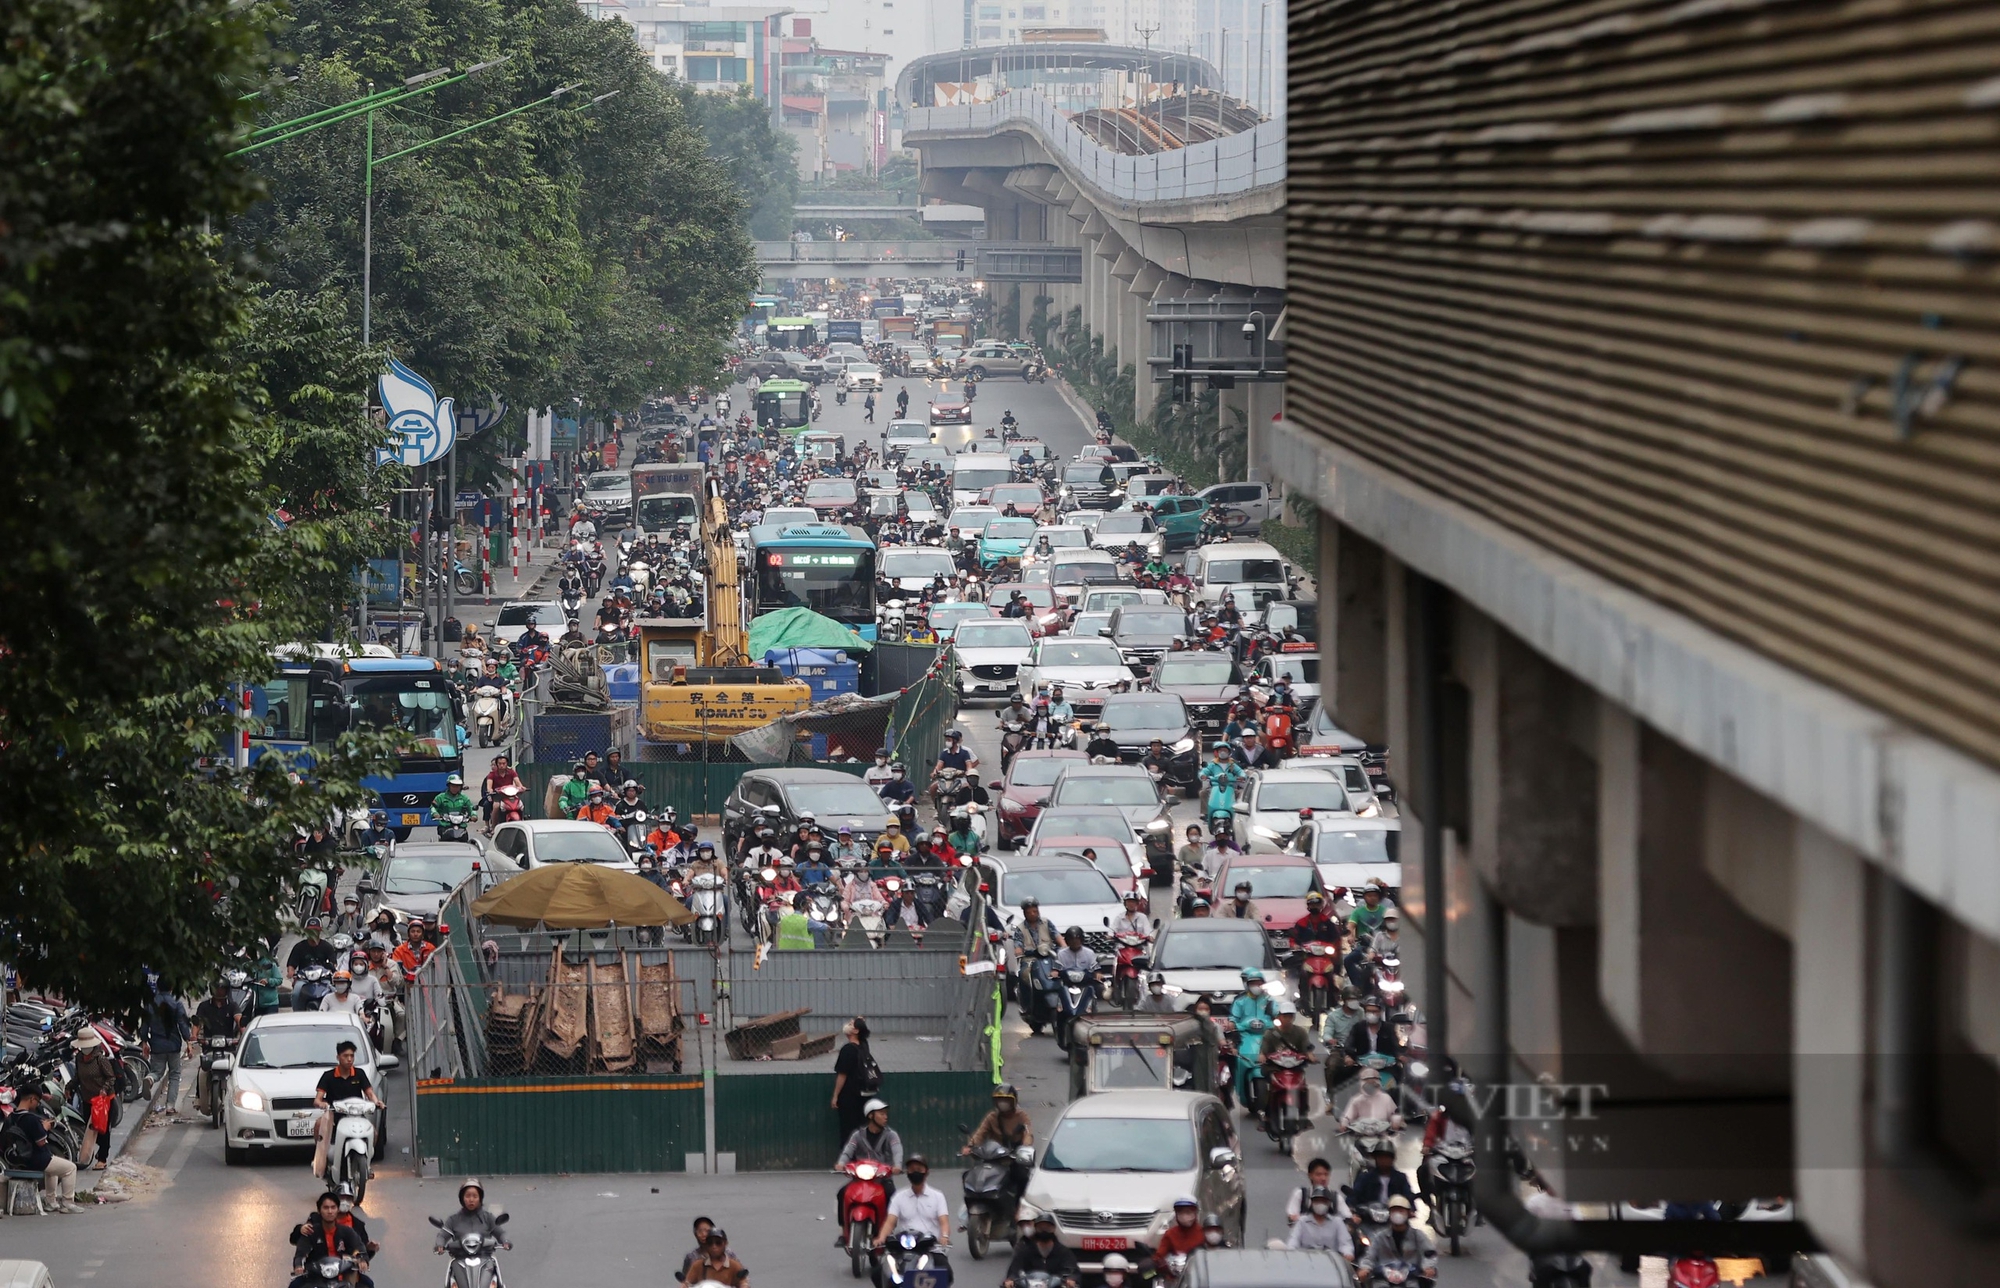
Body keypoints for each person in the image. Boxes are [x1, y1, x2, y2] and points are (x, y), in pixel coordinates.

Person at [1, 1086, 82, 1212]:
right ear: (32, 1099)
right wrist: (44, 1128)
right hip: (35, 1159)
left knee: (53, 1168)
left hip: (18, 1159)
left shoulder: (12, 1116)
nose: (37, 1104)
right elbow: (41, 1142)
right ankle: (68, 1203)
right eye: (37, 1101)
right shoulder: (31, 1119)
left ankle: (51, 1202)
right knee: (70, 1168)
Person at [312, 1039, 384, 1178]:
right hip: (334, 1116)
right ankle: (322, 1160)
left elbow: (369, 1093)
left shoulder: (359, 1074)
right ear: (338, 1057)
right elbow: (318, 1099)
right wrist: (322, 1104)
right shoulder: (328, 1076)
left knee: (373, 1133)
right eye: (346, 1056)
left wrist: (377, 1102)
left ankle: (367, 1165)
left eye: (352, 1056)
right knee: (318, 1125)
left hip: (356, 1115)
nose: (349, 1059)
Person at [834, 1098, 903, 1224]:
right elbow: (848, 1150)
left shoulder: (891, 1135)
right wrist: (841, 1164)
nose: (885, 1117)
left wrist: (897, 1165)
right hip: (859, 1179)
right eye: (881, 1114)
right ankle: (844, 1230)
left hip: (882, 1178)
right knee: (842, 1193)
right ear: (871, 1115)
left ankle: (888, 1229)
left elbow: (897, 1150)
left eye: (886, 1114)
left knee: (891, 1194)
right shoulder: (858, 1135)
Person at [291, 1191, 373, 1288]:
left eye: (333, 1207)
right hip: (316, 1276)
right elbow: (301, 1252)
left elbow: (359, 1247)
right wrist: (298, 1266)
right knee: (294, 1286)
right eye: (326, 1208)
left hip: (344, 1275)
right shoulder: (311, 1231)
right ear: (319, 1210)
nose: (330, 1211)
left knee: (368, 1284)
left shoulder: (348, 1232)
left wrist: (362, 1260)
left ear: (337, 1209)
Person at [69, 1028, 120, 1170]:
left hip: (103, 1099)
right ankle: (100, 1151)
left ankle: (103, 1158)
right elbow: (77, 1077)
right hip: (88, 1098)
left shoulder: (100, 1059)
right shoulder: (79, 1059)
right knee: (90, 1127)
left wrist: (104, 1089)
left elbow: (111, 1077)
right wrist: (69, 1087)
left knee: (102, 1128)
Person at [877, 1153, 950, 1249]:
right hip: (904, 1246)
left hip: (930, 1247)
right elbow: (890, 1222)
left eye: (919, 1169)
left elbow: (944, 1222)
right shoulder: (898, 1197)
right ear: (907, 1173)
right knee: (887, 1262)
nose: (915, 1172)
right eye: (912, 1170)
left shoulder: (938, 1196)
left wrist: (944, 1236)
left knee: (942, 1264)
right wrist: (881, 1238)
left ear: (926, 1172)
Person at [192, 979, 242, 1118]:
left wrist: (243, 1031)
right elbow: (197, 1022)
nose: (219, 991)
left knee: (236, 1072)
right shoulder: (204, 1006)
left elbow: (239, 1019)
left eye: (222, 988)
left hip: (228, 1046)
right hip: (209, 1046)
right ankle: (198, 1096)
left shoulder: (232, 1005)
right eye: (217, 988)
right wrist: (194, 1036)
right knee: (202, 1071)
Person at [1356, 1196, 1436, 1283]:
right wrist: (1365, 1268)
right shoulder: (1380, 1237)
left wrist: (1428, 1267)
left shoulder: (1418, 1235)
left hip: (1411, 1279)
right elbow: (1369, 1255)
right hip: (1383, 1280)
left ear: (1408, 1213)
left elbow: (1429, 1253)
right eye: (1394, 1210)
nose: (1397, 1213)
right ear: (1389, 1213)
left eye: (1401, 1210)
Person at [141, 984, 192, 1111]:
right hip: (173, 1045)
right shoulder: (176, 1003)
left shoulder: (150, 1005)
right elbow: (182, 1024)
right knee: (174, 1074)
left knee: (157, 1071)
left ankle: (150, 1078)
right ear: (171, 988)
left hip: (157, 1045)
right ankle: (170, 1106)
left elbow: (144, 1026)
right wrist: (188, 1041)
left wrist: (144, 1042)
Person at [436, 1178, 511, 1255]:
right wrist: (440, 1245)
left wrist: (505, 1241)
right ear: (462, 1198)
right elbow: (442, 1236)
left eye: (475, 1196)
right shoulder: (453, 1220)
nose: (471, 1200)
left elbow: (501, 1233)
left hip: (485, 1259)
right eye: (468, 1196)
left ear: (480, 1199)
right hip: (459, 1260)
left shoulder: (488, 1218)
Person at [1004, 1214, 1080, 1288]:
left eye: (1047, 1228)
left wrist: (1070, 1279)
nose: (1044, 1230)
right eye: (1041, 1227)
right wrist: (1011, 1279)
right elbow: (1015, 1268)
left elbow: (1071, 1269)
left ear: (1053, 1229)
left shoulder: (1064, 1252)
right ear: (1036, 1228)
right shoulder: (1025, 1250)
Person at [831, 1016, 876, 1141]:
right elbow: (863, 1035)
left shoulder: (848, 1049)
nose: (847, 1025)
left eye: (851, 1024)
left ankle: (849, 1158)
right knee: (862, 1128)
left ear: (856, 1031)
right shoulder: (863, 1046)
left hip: (849, 1097)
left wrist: (835, 1095)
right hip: (864, 1095)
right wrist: (860, 1021)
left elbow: (842, 1074)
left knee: (848, 1131)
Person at [961, 1082, 1033, 1152]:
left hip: (1015, 1155)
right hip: (994, 1156)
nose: (1002, 1103)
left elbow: (1028, 1133)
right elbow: (980, 1133)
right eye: (999, 1100)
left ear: (1013, 1101)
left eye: (1006, 1100)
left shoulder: (1021, 1116)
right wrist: (970, 1146)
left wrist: (1025, 1148)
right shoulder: (992, 1117)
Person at [1288, 1186, 1354, 1256]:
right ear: (1312, 1203)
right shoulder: (1302, 1221)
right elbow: (1293, 1240)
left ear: (1329, 1203)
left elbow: (1346, 1243)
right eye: (1317, 1201)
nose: (1320, 1204)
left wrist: (1347, 1253)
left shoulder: (1337, 1222)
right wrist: (1291, 1252)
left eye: (1323, 1201)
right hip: (1306, 1261)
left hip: (1331, 1262)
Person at [1344, 996, 1405, 1066]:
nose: (1371, 1014)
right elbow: (1349, 1045)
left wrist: (1400, 1056)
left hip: (1386, 1064)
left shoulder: (1388, 1028)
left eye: (1374, 1011)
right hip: (1362, 1064)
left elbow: (1396, 1046)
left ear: (1380, 1012)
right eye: (1368, 1011)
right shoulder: (1358, 1027)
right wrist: (1348, 1057)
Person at [674, 1216, 718, 1284]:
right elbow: (686, 1279)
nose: (704, 1234)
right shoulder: (691, 1257)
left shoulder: (727, 1254)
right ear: (695, 1234)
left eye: (707, 1231)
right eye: (700, 1231)